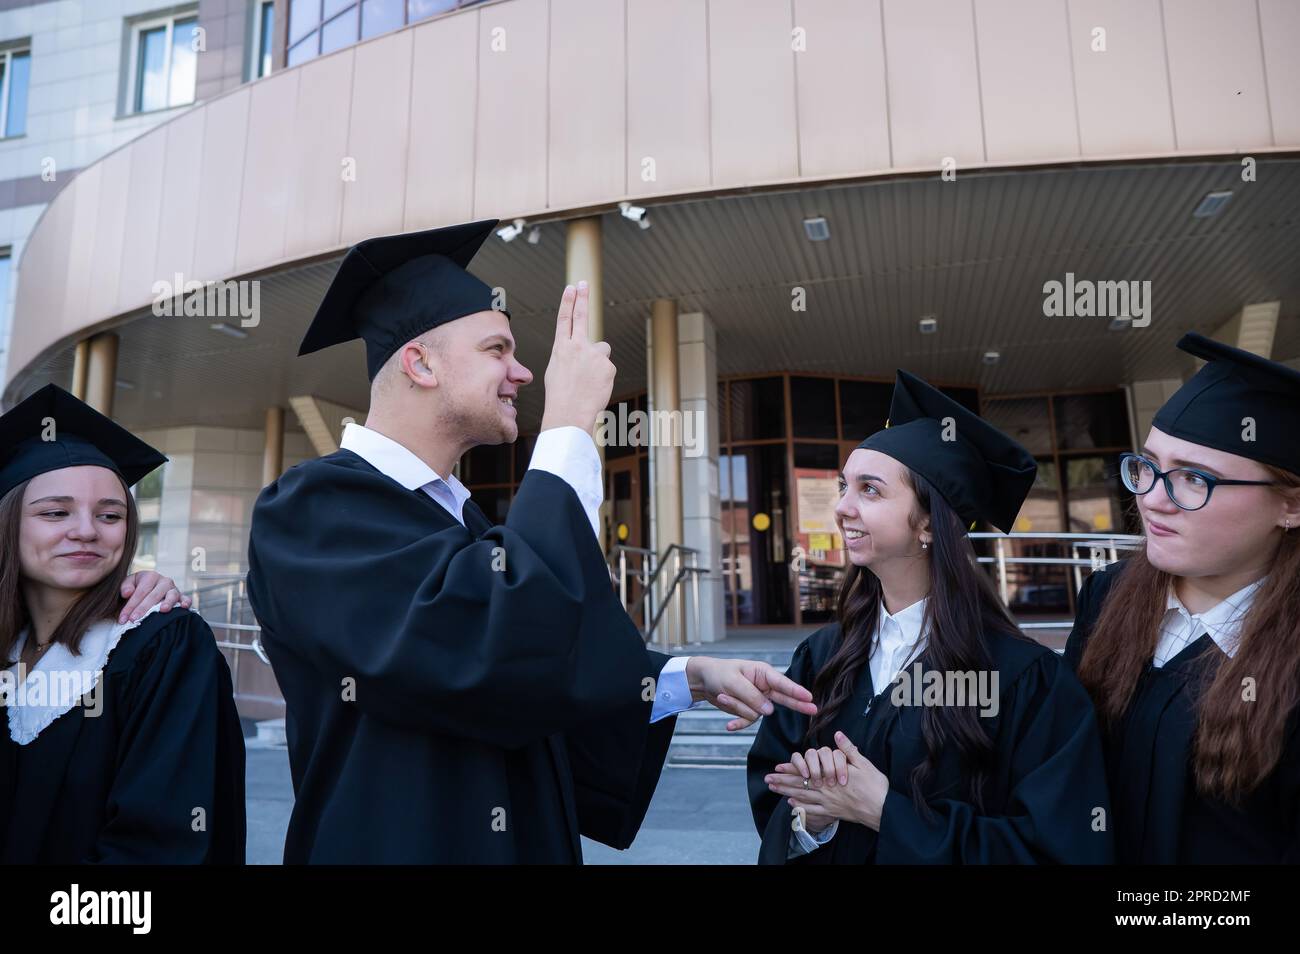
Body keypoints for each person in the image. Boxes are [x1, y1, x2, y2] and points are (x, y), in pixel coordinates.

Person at [246, 219, 816, 863]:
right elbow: (484, 648)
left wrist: (686, 677)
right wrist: (568, 426)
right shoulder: (311, 510)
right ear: (420, 363)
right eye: (497, 349)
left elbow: (540, 668)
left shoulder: (467, 524)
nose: (522, 372)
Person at [749, 370, 1114, 864]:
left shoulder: (1023, 680)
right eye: (843, 486)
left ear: (926, 523)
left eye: (870, 490)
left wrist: (884, 811)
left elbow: (1053, 847)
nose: (841, 507)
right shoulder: (822, 657)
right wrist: (812, 819)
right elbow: (774, 791)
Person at [1065, 333, 1300, 863]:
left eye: (1195, 479)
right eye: (1148, 466)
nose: (1150, 499)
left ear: (1290, 506)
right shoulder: (1107, 598)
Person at [0, 385, 246, 863]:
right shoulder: (11, 648)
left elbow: (162, 841)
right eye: (55, 512)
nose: (87, 530)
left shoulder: (161, 644)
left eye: (110, 514)